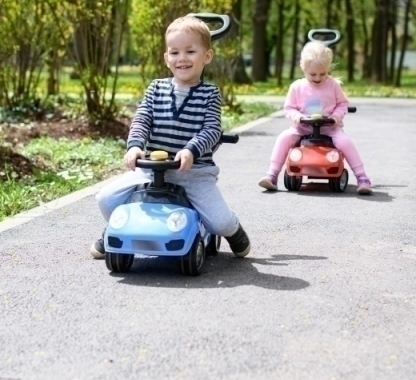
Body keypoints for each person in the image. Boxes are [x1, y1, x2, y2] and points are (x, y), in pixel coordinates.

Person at [90, 15, 251, 259]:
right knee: (105, 198)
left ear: (207, 56)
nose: (182, 58)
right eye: (174, 52)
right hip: (150, 171)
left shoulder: (210, 94)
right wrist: (135, 146)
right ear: (167, 58)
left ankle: (235, 231)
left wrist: (191, 150)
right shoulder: (156, 89)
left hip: (194, 174)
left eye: (190, 51)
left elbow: (212, 130)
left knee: (219, 222)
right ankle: (115, 229)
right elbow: (142, 119)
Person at [258, 40, 373, 195]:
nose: (318, 78)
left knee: (344, 142)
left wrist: (335, 117)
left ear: (328, 69)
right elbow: (289, 108)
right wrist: (297, 116)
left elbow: (342, 104)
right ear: (303, 68)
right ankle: (272, 174)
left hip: (329, 128)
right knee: (284, 138)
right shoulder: (297, 87)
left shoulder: (333, 85)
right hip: (302, 128)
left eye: (323, 74)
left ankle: (362, 177)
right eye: (313, 74)